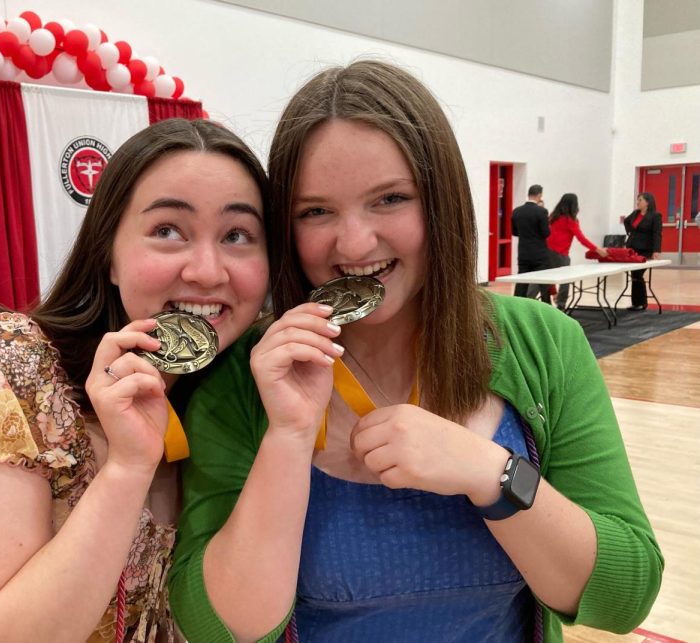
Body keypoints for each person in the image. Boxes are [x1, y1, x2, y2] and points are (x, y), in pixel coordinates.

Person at [169, 61, 662, 642]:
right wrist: (288, 439)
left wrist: (493, 473)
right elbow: (213, 628)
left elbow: (624, 594)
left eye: (390, 199)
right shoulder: (249, 373)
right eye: (316, 211)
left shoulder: (544, 342)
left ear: (442, 202)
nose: (353, 243)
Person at [0, 118, 273, 643]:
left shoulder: (236, 388)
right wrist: (128, 468)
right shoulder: (7, 368)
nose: (207, 270)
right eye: (167, 231)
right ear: (108, 253)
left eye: (237, 235)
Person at [547, 193, 608, 311]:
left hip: (547, 251)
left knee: (546, 276)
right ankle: (561, 304)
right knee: (566, 279)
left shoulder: (552, 217)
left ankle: (552, 296)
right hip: (561, 254)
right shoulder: (570, 220)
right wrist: (597, 249)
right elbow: (581, 238)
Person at [511, 184, 552, 303]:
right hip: (539, 254)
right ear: (539, 195)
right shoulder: (541, 211)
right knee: (544, 285)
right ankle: (547, 307)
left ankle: (517, 306)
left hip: (523, 253)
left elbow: (514, 232)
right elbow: (546, 233)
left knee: (521, 283)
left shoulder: (516, 211)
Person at [623, 192, 662, 311]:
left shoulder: (655, 216)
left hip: (645, 249)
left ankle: (641, 302)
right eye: (637, 200)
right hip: (632, 247)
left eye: (640, 200)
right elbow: (626, 222)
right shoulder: (635, 214)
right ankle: (637, 303)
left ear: (647, 202)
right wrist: (630, 232)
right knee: (634, 274)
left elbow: (657, 234)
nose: (637, 202)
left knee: (638, 274)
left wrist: (656, 250)